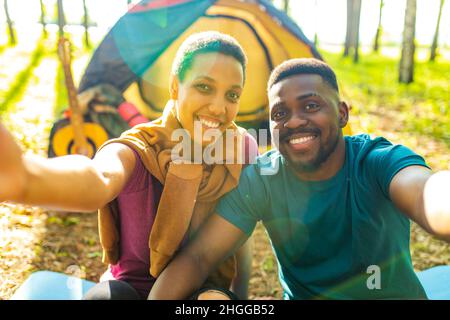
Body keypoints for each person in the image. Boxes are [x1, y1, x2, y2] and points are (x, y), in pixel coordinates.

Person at [148, 58, 450, 300]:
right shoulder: (262, 179)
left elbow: (429, 193)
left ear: (342, 114)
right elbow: (199, 257)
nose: (293, 121)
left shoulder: (377, 161)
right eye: (279, 113)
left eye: (311, 106)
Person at [0, 31, 258, 300]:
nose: (219, 108)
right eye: (204, 87)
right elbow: (98, 178)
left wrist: (239, 297)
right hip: (129, 290)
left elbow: (242, 231)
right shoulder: (141, 148)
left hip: (203, 290)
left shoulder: (240, 149)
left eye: (232, 95)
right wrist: (25, 177)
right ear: (174, 86)